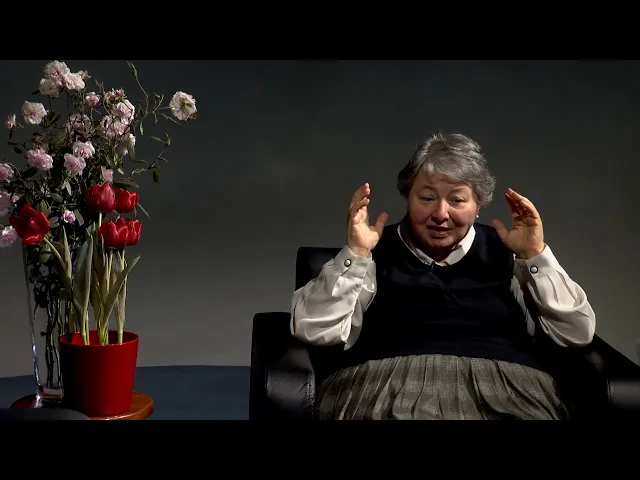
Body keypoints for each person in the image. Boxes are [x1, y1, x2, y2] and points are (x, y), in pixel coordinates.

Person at [290, 132, 596, 420]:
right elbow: (313, 330)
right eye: (426, 198)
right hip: (384, 386)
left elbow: (577, 333)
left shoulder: (510, 253)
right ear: (407, 198)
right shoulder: (372, 253)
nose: (440, 214)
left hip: (506, 388)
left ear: (478, 206)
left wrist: (535, 255)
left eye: (457, 200)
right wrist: (356, 253)